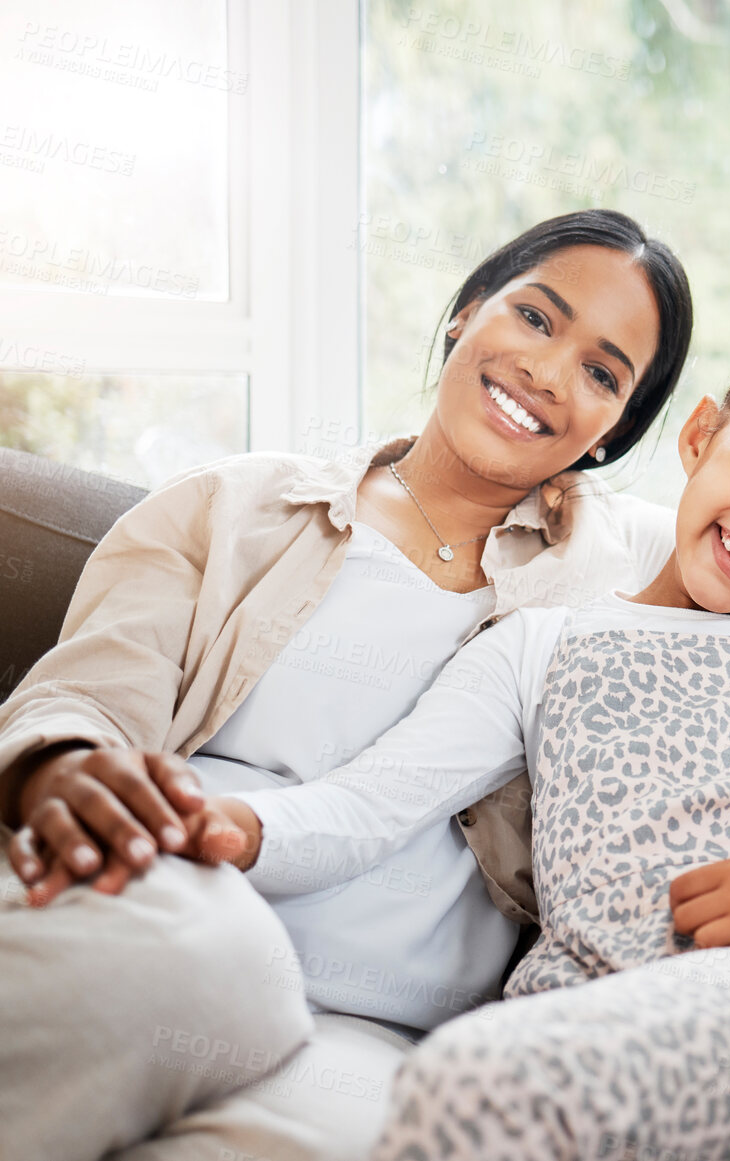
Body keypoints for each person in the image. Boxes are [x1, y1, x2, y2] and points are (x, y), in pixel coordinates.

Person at [181, 300, 730, 1160]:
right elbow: (368, 808)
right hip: (575, 1007)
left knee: (467, 1085)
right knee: (463, 1079)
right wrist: (228, 826)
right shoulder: (542, 645)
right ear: (699, 438)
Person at [0, 208, 694, 1161]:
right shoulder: (237, 506)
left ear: (613, 433)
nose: (546, 370)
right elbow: (84, 696)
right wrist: (58, 763)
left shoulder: (621, 570)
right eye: (536, 317)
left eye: (603, 372)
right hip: (164, 899)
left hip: (374, 1035)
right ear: (466, 312)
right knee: (177, 968)